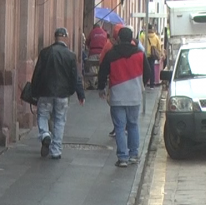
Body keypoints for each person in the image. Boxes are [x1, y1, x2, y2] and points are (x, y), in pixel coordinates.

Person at [97, 26, 151, 167]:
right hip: (134, 96)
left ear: (119, 38)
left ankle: (122, 157)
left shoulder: (111, 54)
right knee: (133, 125)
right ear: (132, 38)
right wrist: (140, 83)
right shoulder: (140, 54)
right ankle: (134, 154)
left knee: (120, 127)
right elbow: (148, 73)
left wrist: (101, 88)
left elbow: (102, 72)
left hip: (117, 96)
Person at [31, 27, 85, 160]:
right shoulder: (71, 55)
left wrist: (34, 91)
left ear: (55, 38)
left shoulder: (45, 53)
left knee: (43, 114)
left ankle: (45, 134)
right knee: (60, 120)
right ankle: (56, 150)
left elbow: (37, 73)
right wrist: (80, 94)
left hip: (45, 91)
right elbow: (76, 77)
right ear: (65, 38)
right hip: (62, 93)